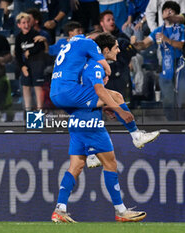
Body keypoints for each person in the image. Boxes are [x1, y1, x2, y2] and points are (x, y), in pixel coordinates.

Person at [51, 33, 147, 223]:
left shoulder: (76, 50)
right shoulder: (93, 58)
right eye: (116, 47)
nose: (118, 50)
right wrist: (118, 109)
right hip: (89, 120)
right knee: (111, 162)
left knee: (76, 165)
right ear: (104, 49)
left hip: (69, 109)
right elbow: (101, 85)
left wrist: (106, 105)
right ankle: (121, 210)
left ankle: (59, 210)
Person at [132, 1, 185, 121]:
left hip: (182, 68)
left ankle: (184, 124)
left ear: (177, 15)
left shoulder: (182, 28)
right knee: (167, 99)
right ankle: (172, 125)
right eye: (165, 10)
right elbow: (144, 45)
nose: (168, 12)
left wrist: (167, 40)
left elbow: (184, 45)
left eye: (171, 11)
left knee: (182, 99)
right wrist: (135, 43)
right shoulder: (158, 31)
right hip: (166, 69)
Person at [99, 10, 137, 97]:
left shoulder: (121, 38)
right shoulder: (96, 39)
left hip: (120, 75)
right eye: (108, 20)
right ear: (102, 23)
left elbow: (132, 51)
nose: (112, 22)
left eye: (113, 19)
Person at [15, 12, 47, 111]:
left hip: (37, 64)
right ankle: (28, 110)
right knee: (26, 87)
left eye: (28, 22)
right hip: (26, 65)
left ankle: (39, 111)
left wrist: (30, 51)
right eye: (23, 23)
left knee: (38, 87)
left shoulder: (35, 34)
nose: (26, 25)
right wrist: (22, 66)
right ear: (19, 25)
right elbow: (17, 53)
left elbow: (40, 47)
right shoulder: (19, 37)